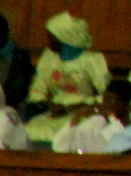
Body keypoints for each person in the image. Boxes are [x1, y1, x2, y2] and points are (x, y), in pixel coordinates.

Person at [26, 13, 109, 143]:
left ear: (65, 37)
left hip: (83, 112)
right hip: (54, 111)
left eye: (52, 38)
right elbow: (38, 87)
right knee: (30, 131)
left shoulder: (92, 60)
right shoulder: (48, 57)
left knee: (67, 135)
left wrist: (77, 106)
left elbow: (106, 95)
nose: (48, 42)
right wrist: (47, 104)